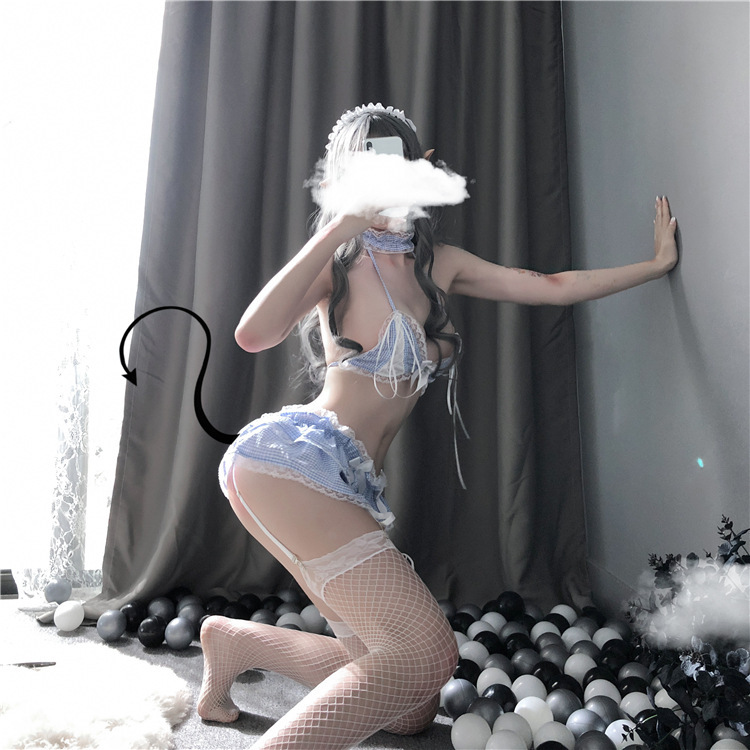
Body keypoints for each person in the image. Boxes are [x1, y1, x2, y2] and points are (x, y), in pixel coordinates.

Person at [197, 103, 678, 749]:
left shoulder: (439, 264)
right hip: (291, 465)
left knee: (411, 709)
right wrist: (341, 225)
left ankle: (234, 643)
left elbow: (552, 285)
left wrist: (653, 266)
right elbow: (253, 334)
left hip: (340, 482)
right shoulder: (339, 262)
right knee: (427, 656)